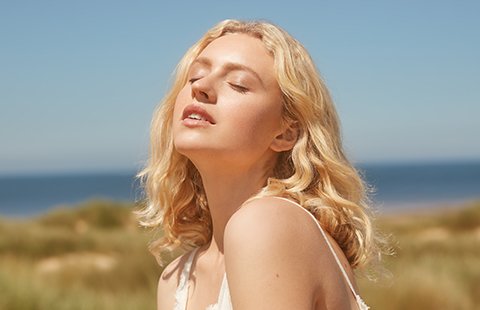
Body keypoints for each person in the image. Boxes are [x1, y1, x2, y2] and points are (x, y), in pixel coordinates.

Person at [137, 19, 381, 310]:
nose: (200, 87)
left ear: (286, 132)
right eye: (194, 76)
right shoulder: (175, 281)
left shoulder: (268, 223)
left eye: (238, 84)